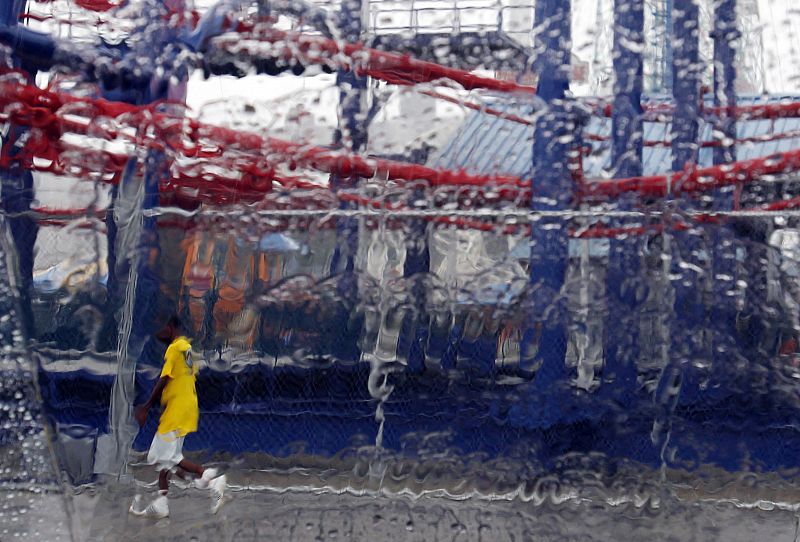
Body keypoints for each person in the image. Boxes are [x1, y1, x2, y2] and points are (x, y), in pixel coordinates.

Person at [129, 316, 226, 518]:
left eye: (160, 329)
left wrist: (146, 407)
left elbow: (164, 378)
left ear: (170, 327)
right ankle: (162, 503)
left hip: (177, 410)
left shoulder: (174, 348)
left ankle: (209, 478)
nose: (158, 334)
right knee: (161, 456)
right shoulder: (187, 348)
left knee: (168, 457)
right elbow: (187, 376)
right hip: (184, 408)